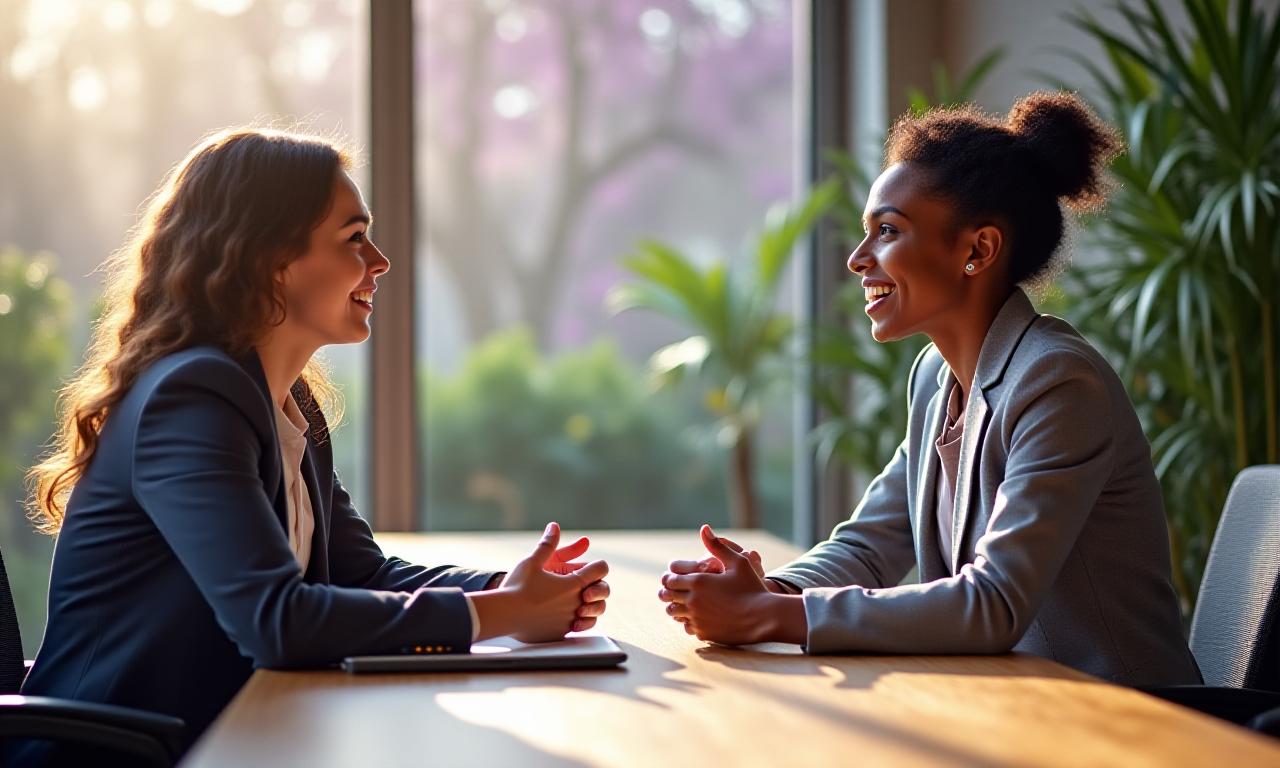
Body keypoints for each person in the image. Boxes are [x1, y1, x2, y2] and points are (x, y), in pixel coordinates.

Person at [16, 129, 610, 762]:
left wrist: (503, 586)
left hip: (239, 738)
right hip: (121, 755)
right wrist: (505, 614)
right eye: (354, 238)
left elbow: (365, 575)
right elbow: (277, 621)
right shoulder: (190, 400)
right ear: (268, 258)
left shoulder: (286, 402)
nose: (379, 261)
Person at [657, 92, 1201, 687]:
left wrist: (769, 616)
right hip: (1017, 706)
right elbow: (870, 545)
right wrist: (770, 589)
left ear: (978, 250)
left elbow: (993, 603)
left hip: (1128, 717)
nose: (858, 259)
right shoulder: (935, 378)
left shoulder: (1059, 384)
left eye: (887, 230)